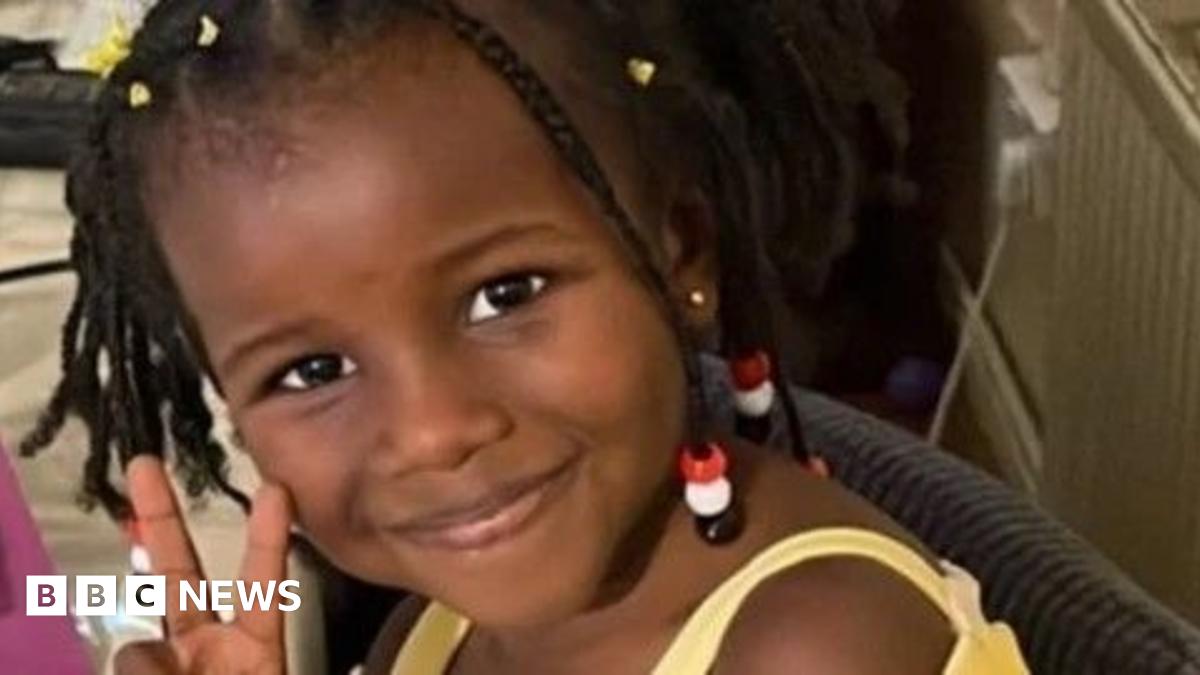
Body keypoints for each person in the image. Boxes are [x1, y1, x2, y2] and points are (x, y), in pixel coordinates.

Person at [21, 1, 1028, 672]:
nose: (432, 432)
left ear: (681, 253)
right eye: (312, 369)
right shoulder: (446, 620)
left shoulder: (815, 650)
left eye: (506, 295)